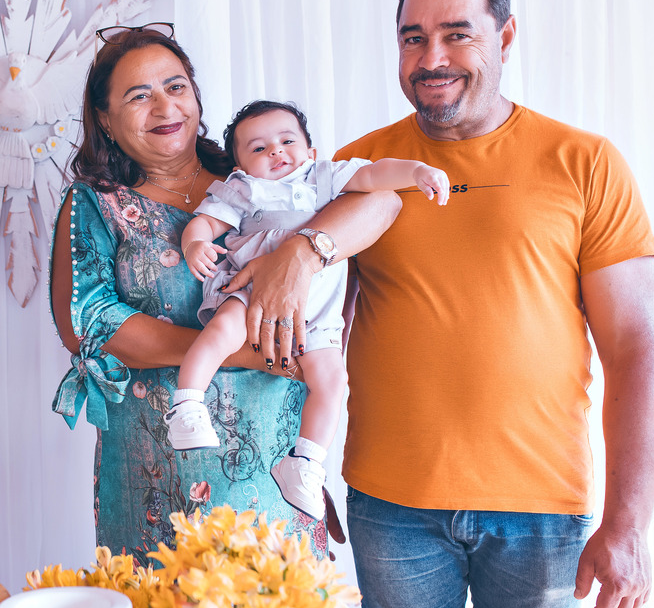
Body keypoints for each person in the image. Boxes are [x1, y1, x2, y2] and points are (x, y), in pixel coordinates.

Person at [308, 0, 654, 608]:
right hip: (391, 503)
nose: (432, 58)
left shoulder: (583, 162)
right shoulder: (357, 168)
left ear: (504, 36)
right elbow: (314, 339)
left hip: (539, 506)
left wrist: (629, 524)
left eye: (456, 34)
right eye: (413, 38)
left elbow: (637, 351)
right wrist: (297, 477)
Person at [49, 23, 401, 608]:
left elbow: (381, 200)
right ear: (105, 120)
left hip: (268, 470)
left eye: (176, 86)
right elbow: (87, 324)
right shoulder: (96, 205)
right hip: (155, 476)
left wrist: (303, 250)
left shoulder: (261, 181)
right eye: (139, 96)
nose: (165, 106)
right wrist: (233, 351)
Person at [168, 99, 449, 522]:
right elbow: (206, 222)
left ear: (311, 151)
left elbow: (375, 175)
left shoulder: (324, 178)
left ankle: (305, 463)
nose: (275, 151)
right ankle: (187, 403)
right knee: (221, 332)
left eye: (287, 141)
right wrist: (195, 243)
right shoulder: (243, 189)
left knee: (332, 380)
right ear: (240, 166)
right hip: (253, 292)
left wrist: (416, 171)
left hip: (317, 315)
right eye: (258, 148)